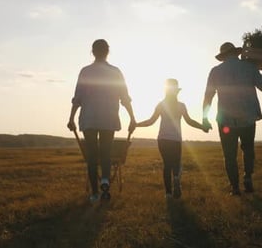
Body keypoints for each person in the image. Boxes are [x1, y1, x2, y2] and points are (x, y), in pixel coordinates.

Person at [67, 39, 136, 202]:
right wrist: (132, 118)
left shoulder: (85, 71)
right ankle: (105, 180)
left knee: (91, 156)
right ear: (108, 52)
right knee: (106, 152)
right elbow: (125, 98)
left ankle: (95, 193)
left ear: (92, 51)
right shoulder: (115, 72)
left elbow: (78, 98)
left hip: (89, 119)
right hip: (108, 118)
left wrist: (71, 118)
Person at [202, 42, 262, 196]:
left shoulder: (215, 71)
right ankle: (247, 177)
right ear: (236, 53)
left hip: (225, 120)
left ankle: (234, 187)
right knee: (248, 150)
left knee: (229, 155)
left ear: (223, 57)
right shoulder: (249, 67)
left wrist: (204, 118)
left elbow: (208, 97)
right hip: (248, 117)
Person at [134, 78, 208, 199]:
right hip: (176, 139)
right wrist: (202, 127)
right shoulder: (181, 106)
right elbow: (189, 121)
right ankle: (176, 178)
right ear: (177, 92)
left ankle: (168, 193)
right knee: (176, 164)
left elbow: (150, 121)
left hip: (162, 139)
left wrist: (136, 124)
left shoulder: (161, 105)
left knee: (167, 165)